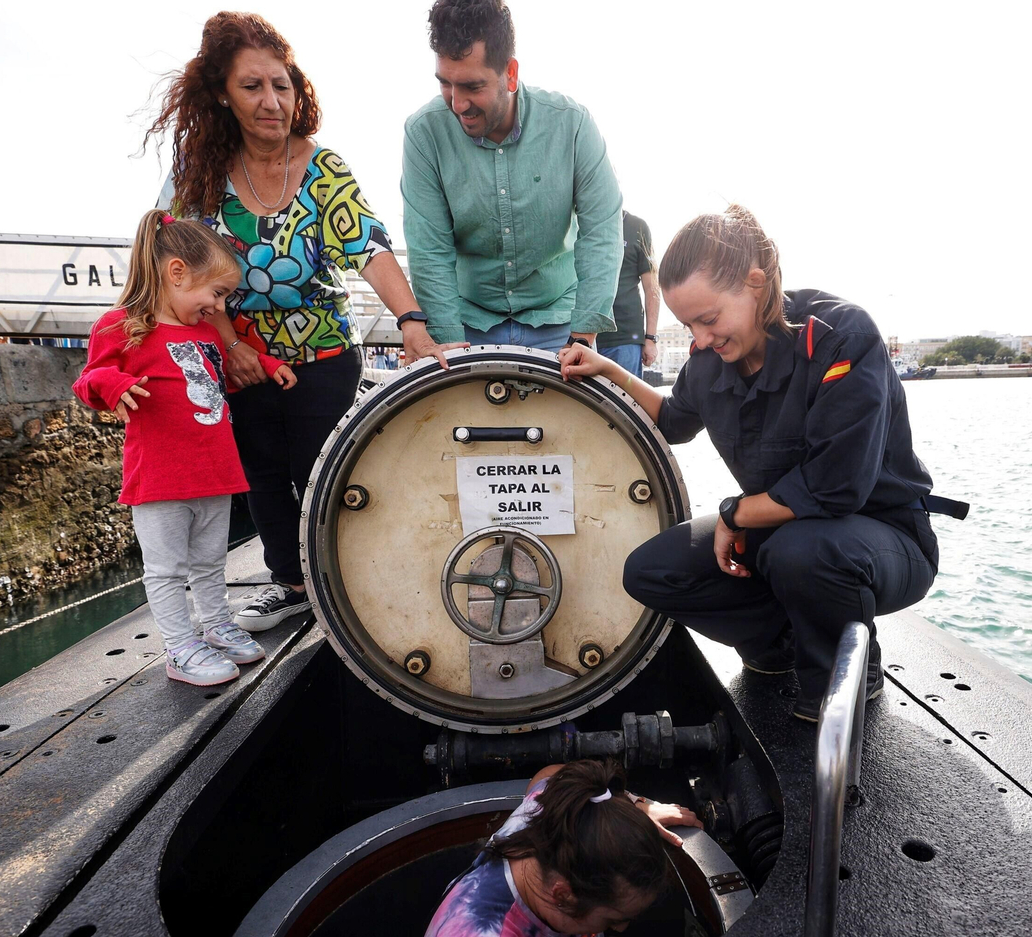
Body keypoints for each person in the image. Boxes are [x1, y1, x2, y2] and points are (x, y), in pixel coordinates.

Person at [561, 206, 948, 722]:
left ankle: (847, 673)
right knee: (651, 571)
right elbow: (674, 420)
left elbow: (835, 490)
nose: (699, 339)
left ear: (756, 283)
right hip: (785, 534)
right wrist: (609, 370)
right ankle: (781, 642)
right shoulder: (711, 360)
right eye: (688, 325)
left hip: (883, 538)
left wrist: (733, 514)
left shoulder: (840, 337)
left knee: (802, 549)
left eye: (709, 319)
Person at [148, 12, 465, 633]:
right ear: (222, 93)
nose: (272, 102)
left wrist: (411, 320)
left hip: (322, 354)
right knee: (261, 474)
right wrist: (231, 345)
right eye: (252, 87)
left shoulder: (325, 168)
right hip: (232, 352)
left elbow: (368, 247)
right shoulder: (201, 173)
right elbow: (173, 264)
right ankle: (291, 586)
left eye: (282, 85)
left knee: (322, 471)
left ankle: (345, 583)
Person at [73, 209, 296, 686]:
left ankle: (215, 625)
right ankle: (179, 647)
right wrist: (114, 384)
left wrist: (268, 365)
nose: (219, 307)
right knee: (168, 569)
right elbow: (89, 378)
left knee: (211, 561)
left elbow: (215, 386)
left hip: (214, 472)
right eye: (216, 294)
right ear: (177, 272)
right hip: (160, 476)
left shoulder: (204, 334)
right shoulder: (121, 326)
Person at [399, 759, 700, 937]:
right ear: (563, 895)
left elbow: (552, 775)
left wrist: (630, 808)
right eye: (613, 919)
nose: (621, 930)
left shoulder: (549, 818)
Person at [401, 0, 623, 353]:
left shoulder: (573, 124)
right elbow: (429, 249)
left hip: (560, 323)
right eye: (446, 84)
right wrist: (448, 342)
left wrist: (583, 334)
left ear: (511, 73)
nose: (457, 103)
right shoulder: (423, 133)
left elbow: (602, 230)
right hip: (466, 324)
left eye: (473, 87)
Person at [599, 210, 659, 380]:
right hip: (580, 334)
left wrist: (651, 338)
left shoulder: (637, 227)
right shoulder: (580, 222)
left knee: (624, 402)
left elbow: (652, 288)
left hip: (624, 338)